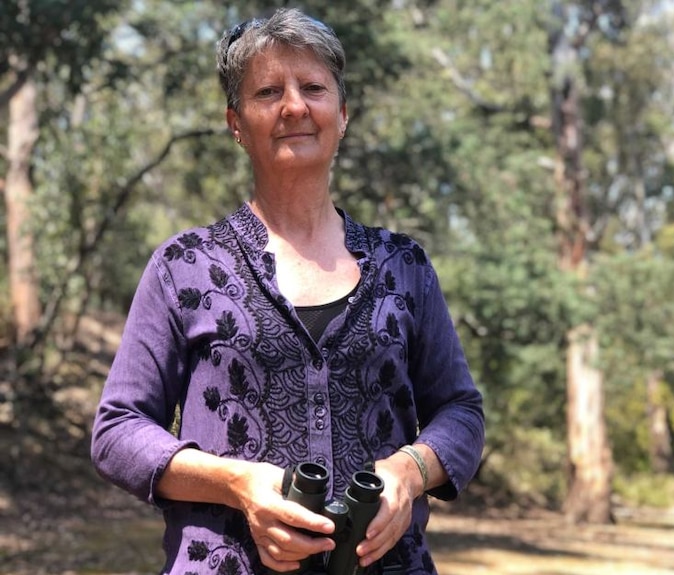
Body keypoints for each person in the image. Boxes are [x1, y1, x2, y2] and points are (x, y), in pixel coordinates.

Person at [90, 7, 484, 575]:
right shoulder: (184, 267)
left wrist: (409, 470)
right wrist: (236, 482)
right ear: (236, 122)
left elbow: (461, 410)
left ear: (342, 114)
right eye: (268, 91)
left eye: (314, 88)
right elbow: (117, 429)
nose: (294, 106)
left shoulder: (406, 267)